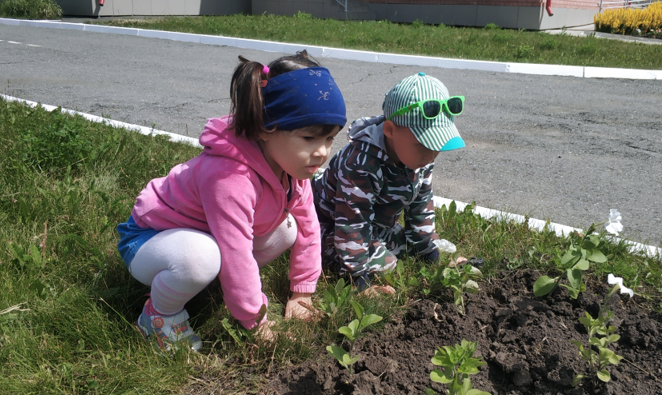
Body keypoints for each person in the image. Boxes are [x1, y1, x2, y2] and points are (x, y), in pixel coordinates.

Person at [116, 51, 347, 350]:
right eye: (309, 138)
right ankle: (159, 315)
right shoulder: (230, 177)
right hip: (149, 240)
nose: (322, 152)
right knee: (201, 258)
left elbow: (308, 227)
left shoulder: (292, 167)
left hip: (203, 237)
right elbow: (236, 251)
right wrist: (257, 321)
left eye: (329, 139)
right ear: (266, 129)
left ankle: (214, 286)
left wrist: (302, 292)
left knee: (288, 228)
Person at [313, 72, 465, 294]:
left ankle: (390, 251)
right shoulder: (361, 163)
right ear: (390, 130)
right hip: (331, 224)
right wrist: (359, 279)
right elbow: (352, 223)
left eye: (438, 145)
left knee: (405, 245)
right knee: (387, 263)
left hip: (374, 226)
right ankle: (341, 264)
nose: (432, 155)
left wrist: (431, 255)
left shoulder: (419, 159)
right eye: (424, 145)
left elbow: (421, 207)